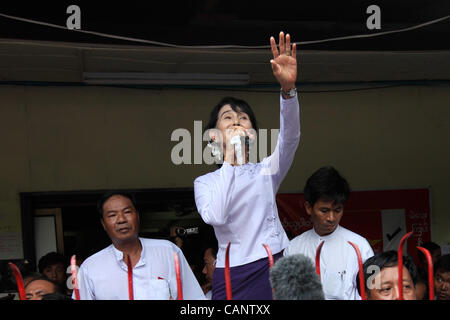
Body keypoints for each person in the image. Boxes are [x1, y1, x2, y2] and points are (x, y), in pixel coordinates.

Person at [194, 31, 300, 299]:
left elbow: (290, 138)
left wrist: (288, 92)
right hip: (232, 272)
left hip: (275, 264)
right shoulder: (205, 183)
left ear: (252, 133)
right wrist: (231, 156)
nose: (237, 122)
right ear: (214, 136)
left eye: (243, 118)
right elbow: (216, 216)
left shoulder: (266, 171)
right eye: (227, 118)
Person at [75, 191, 205, 300]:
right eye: (112, 215)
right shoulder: (90, 268)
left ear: (137, 216)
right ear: (103, 224)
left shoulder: (168, 252)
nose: (121, 219)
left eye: (127, 212)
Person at [283, 166, 374, 300]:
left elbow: (375, 288)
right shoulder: (293, 249)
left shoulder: (360, 246)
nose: (331, 218)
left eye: (337, 210)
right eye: (324, 211)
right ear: (308, 208)